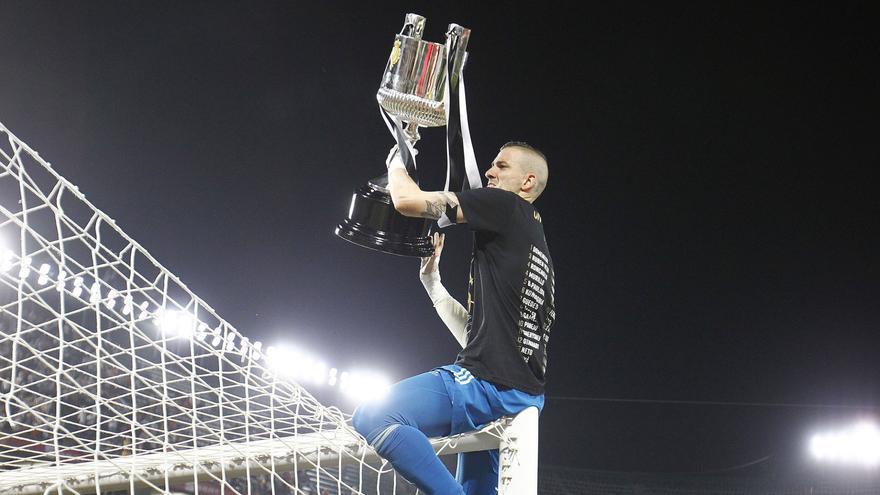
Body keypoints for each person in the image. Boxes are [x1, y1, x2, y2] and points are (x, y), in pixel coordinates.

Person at [352, 142, 556, 495]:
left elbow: (407, 203)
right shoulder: (530, 240)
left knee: (374, 415)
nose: (489, 173)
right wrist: (433, 284)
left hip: (488, 387)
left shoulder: (506, 206)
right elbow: (477, 335)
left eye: (501, 166)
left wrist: (397, 163)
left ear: (527, 183)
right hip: (518, 397)